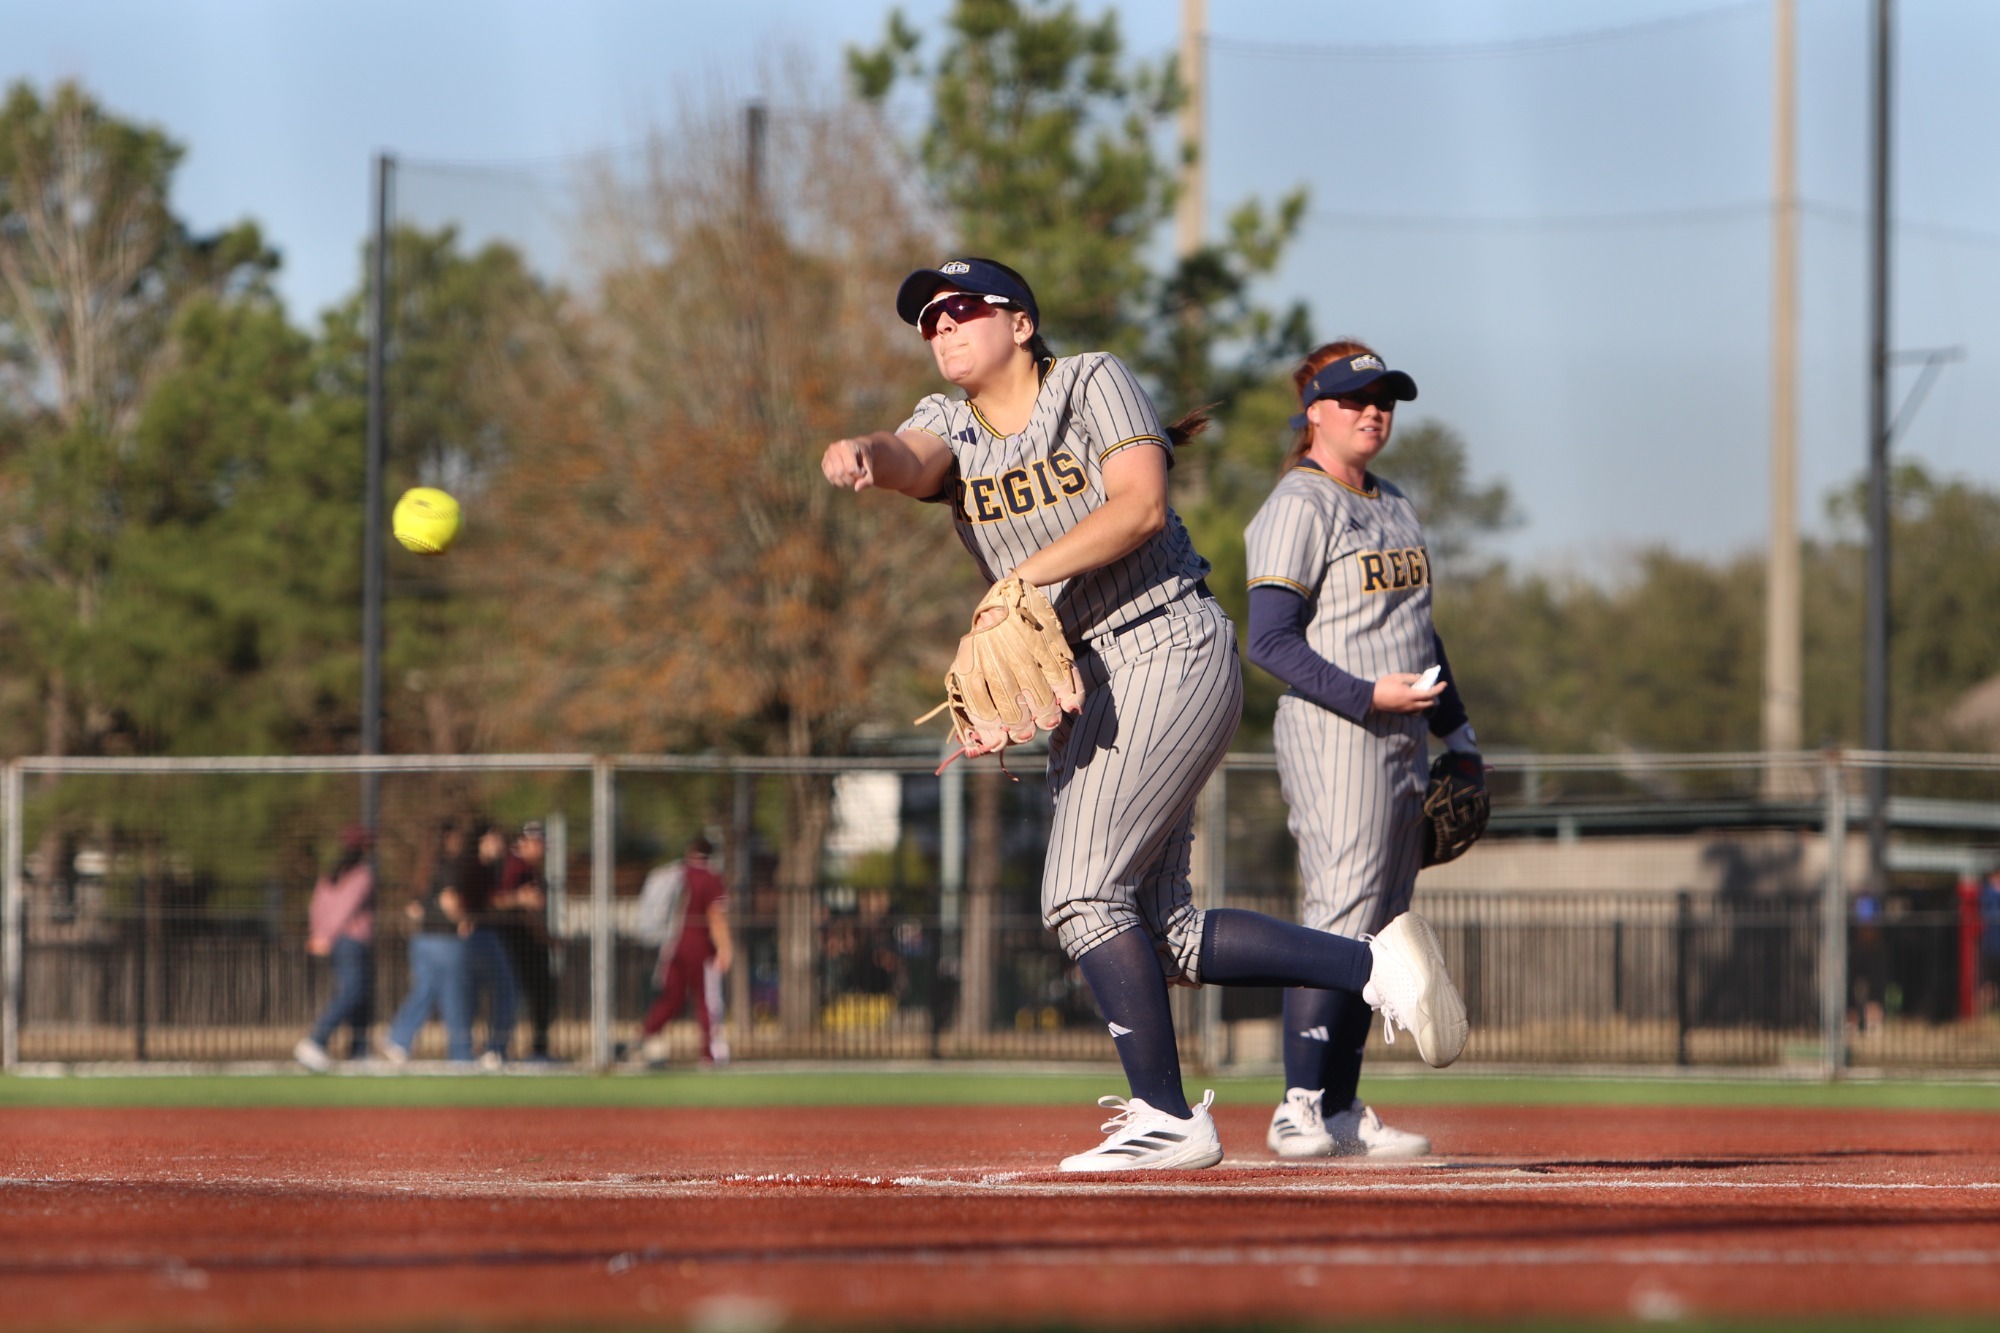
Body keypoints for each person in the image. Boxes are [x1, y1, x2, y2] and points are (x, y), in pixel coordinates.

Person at [819, 256, 1468, 1170]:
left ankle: (1166, 1114)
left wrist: (1021, 577)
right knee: (1161, 930)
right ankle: (1375, 968)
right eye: (924, 320)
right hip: (1092, 679)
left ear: (1018, 321)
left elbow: (1140, 505)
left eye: (959, 307)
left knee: (1078, 891)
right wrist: (863, 454)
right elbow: (912, 458)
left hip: (1166, 640)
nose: (940, 325)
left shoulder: (1091, 381)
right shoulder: (947, 423)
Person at [1243, 341, 1483, 1159]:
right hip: (1336, 733)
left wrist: (1460, 733)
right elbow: (1269, 641)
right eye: (1354, 398)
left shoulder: (1396, 503)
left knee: (1382, 929)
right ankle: (1298, 1105)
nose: (1373, 410)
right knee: (1341, 917)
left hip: (1405, 739)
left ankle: (1340, 1108)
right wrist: (1365, 694)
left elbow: (1421, 634)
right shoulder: (1299, 505)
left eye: (1385, 398)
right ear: (1314, 411)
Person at [632, 836, 733, 1066]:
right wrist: (725, 947)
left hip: (672, 946)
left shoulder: (675, 874)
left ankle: (643, 1038)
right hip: (700, 947)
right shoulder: (711, 878)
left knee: (670, 998)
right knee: (708, 1001)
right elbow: (716, 915)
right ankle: (710, 1054)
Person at [382, 819, 474, 1064]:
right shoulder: (449, 866)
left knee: (426, 989)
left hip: (422, 940)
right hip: (444, 939)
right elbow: (449, 901)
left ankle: (399, 1038)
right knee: (453, 996)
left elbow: (413, 908)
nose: (460, 843)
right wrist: (463, 920)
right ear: (447, 839)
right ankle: (460, 1053)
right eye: (456, 837)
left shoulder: (424, 868)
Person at [294, 825, 375, 1072]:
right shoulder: (362, 875)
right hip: (351, 940)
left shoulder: (330, 875)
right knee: (353, 992)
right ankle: (316, 1039)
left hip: (336, 941)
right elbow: (346, 907)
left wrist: (318, 933)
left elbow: (317, 907)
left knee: (360, 995)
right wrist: (325, 936)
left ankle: (359, 1051)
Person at [459, 819, 520, 1068]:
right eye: (494, 838)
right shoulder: (474, 867)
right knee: (505, 991)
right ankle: (493, 1049)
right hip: (479, 937)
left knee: (474, 995)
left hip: (482, 936)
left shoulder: (491, 867)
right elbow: (480, 905)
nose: (500, 843)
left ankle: (474, 1049)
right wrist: (518, 899)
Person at [493, 820, 556, 1060]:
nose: (541, 849)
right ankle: (505, 1048)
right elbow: (498, 900)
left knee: (538, 995)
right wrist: (520, 899)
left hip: (527, 942)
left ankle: (534, 1048)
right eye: (537, 843)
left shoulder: (528, 868)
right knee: (522, 994)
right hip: (516, 943)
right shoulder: (515, 866)